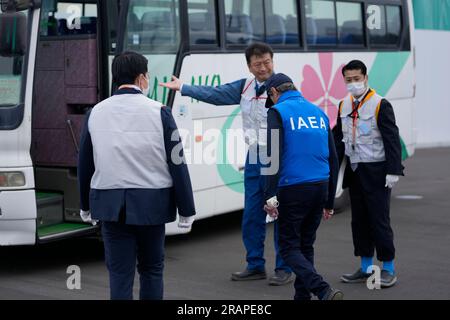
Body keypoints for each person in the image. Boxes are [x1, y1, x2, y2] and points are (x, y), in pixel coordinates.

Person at [160, 42, 293, 285]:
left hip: (277, 158)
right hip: (253, 156)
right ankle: (255, 264)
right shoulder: (245, 87)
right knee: (252, 214)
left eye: (267, 62)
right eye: (257, 64)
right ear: (249, 67)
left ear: (273, 61)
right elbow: (215, 94)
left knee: (278, 213)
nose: (263, 67)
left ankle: (284, 267)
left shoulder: (283, 88)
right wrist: (184, 88)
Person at [78, 51, 196, 300]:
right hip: (152, 204)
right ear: (143, 78)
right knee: (152, 269)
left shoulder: (95, 113)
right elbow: (178, 163)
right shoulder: (160, 111)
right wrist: (186, 209)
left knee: (119, 274)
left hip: (110, 206)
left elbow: (85, 163)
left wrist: (85, 205)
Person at [263, 73, 343, 300]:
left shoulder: (277, 112)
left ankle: (322, 289)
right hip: (320, 186)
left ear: (274, 92)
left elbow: (273, 156)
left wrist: (270, 196)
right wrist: (329, 201)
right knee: (305, 246)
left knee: (288, 248)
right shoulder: (318, 112)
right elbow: (334, 159)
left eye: (271, 97)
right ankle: (302, 297)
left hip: (293, 188)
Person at [333, 60, 404, 288]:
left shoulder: (379, 104)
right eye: (349, 80)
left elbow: (392, 140)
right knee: (359, 221)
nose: (353, 83)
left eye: (357, 79)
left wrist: (393, 170)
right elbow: (337, 137)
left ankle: (388, 268)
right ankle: (365, 268)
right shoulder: (343, 104)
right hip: (355, 170)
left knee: (379, 221)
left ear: (365, 78)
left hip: (377, 170)